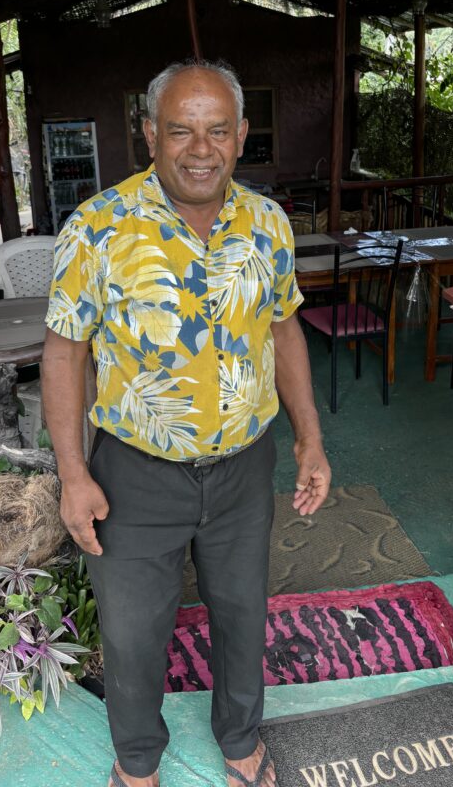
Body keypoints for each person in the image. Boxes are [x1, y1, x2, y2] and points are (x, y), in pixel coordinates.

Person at [42, 60, 330, 787]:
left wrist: (310, 438)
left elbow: (285, 329)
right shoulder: (99, 227)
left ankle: (241, 742)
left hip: (243, 470)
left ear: (239, 138)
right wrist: (73, 474)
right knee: (133, 635)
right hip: (133, 476)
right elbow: (64, 351)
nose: (199, 148)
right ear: (149, 135)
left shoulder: (267, 223)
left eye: (216, 130)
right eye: (180, 130)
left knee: (242, 615)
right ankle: (137, 765)